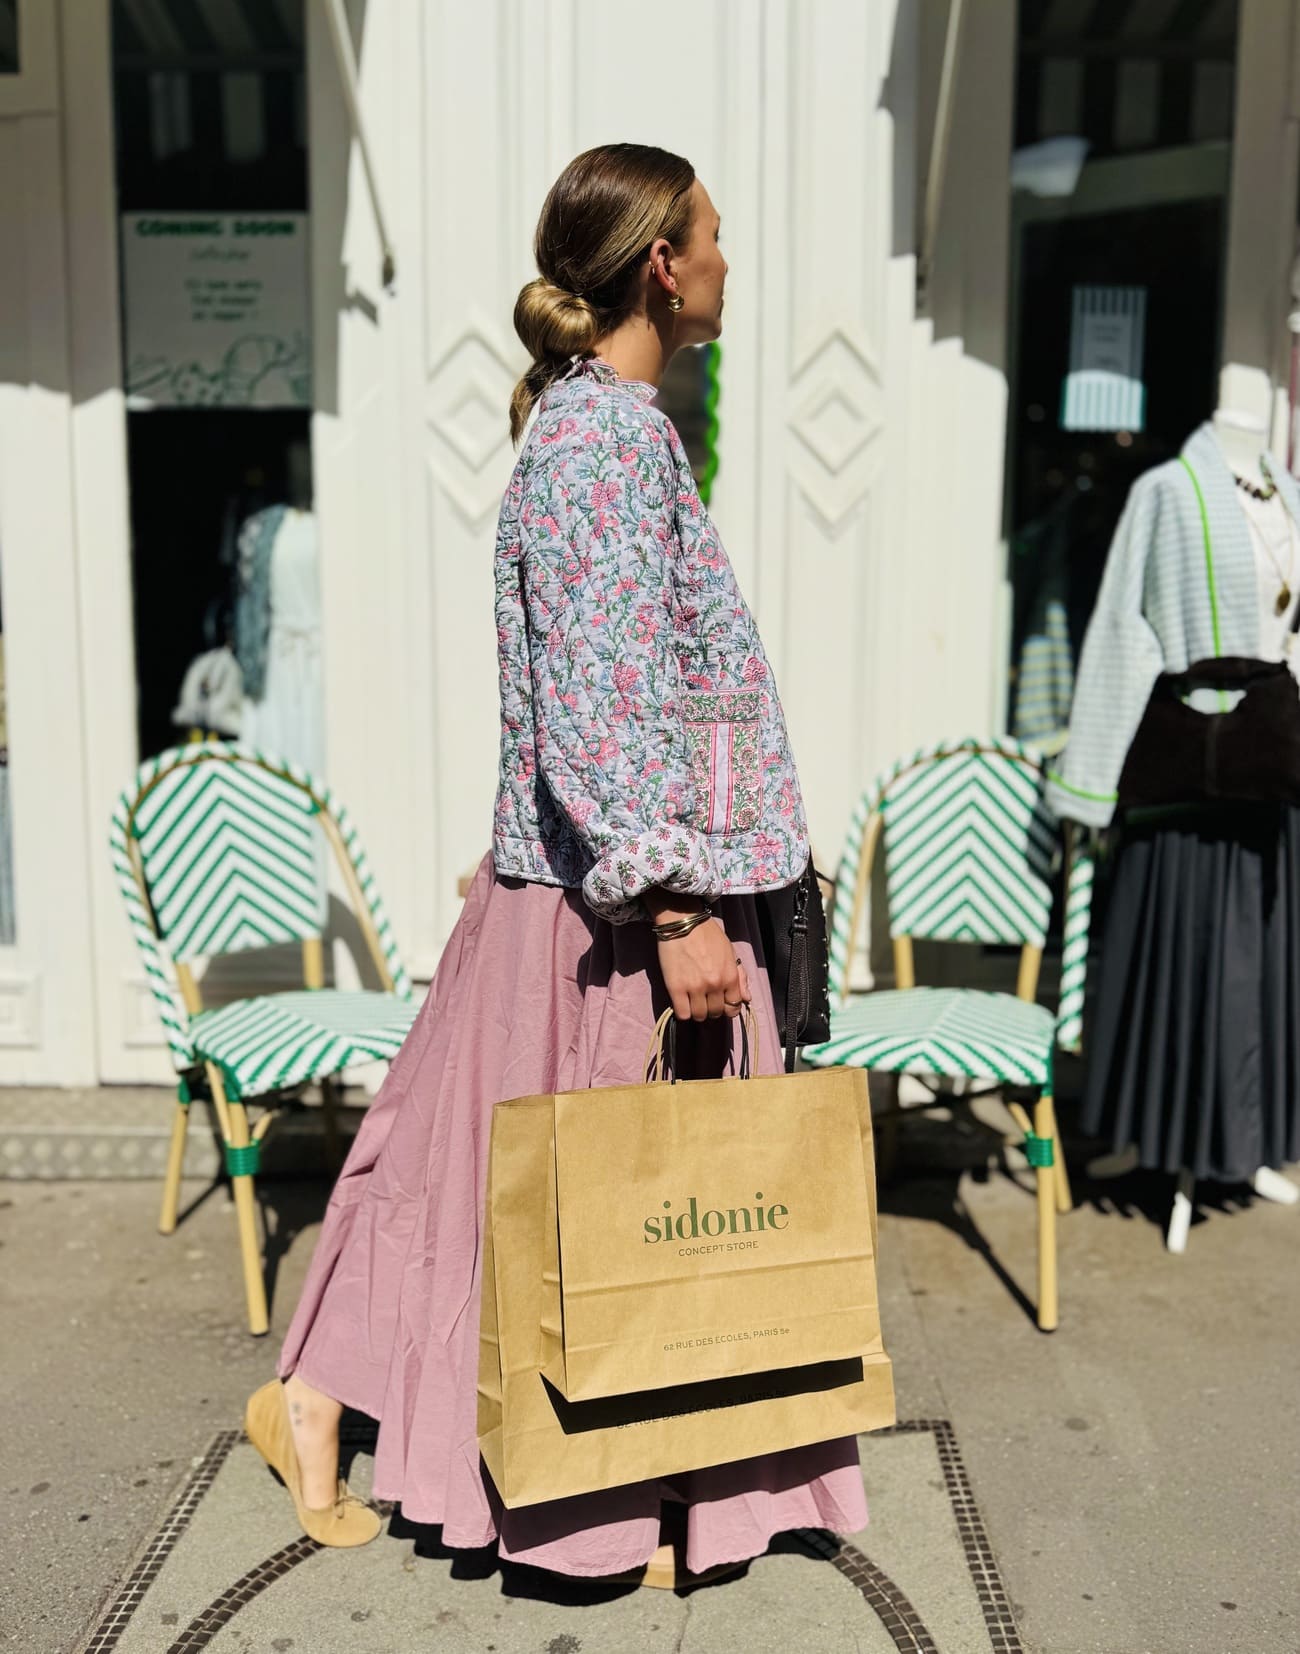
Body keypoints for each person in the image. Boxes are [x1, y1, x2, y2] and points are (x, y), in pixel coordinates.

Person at [245, 142, 867, 1580]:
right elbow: (602, 701)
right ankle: (600, 1485)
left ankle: (342, 1407)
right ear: (663, 262)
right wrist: (674, 904)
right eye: (712, 236)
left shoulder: (619, 430)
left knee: (478, 1175)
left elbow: (622, 688)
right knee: (615, 1195)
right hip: (614, 907)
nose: (726, 259)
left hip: (579, 885)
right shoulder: (599, 445)